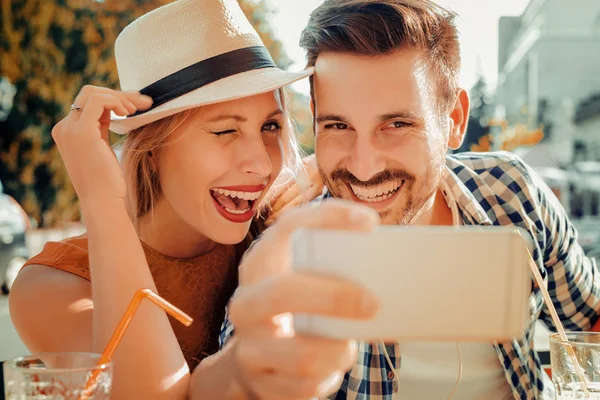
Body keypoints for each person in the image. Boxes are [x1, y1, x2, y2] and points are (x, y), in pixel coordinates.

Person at [190, 1, 600, 399]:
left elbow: (589, 319)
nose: (364, 168)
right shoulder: (292, 255)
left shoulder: (511, 191)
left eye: (397, 124)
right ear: (315, 119)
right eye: (338, 125)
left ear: (454, 120)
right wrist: (244, 372)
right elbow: (237, 373)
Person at [8, 0, 315, 398]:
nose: (261, 163)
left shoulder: (280, 223)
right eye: (225, 131)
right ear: (152, 150)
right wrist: (99, 197)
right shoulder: (54, 286)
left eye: (270, 126)